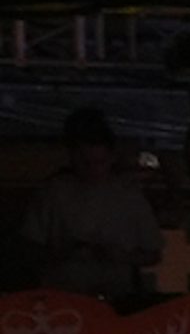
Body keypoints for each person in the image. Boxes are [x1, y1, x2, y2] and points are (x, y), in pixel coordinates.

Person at [20, 111, 162, 302]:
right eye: (85, 163)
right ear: (72, 157)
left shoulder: (129, 196)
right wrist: (61, 253)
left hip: (115, 297)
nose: (93, 170)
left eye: (99, 163)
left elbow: (153, 254)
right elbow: (28, 249)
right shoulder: (53, 192)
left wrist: (121, 256)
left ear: (111, 158)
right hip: (62, 299)